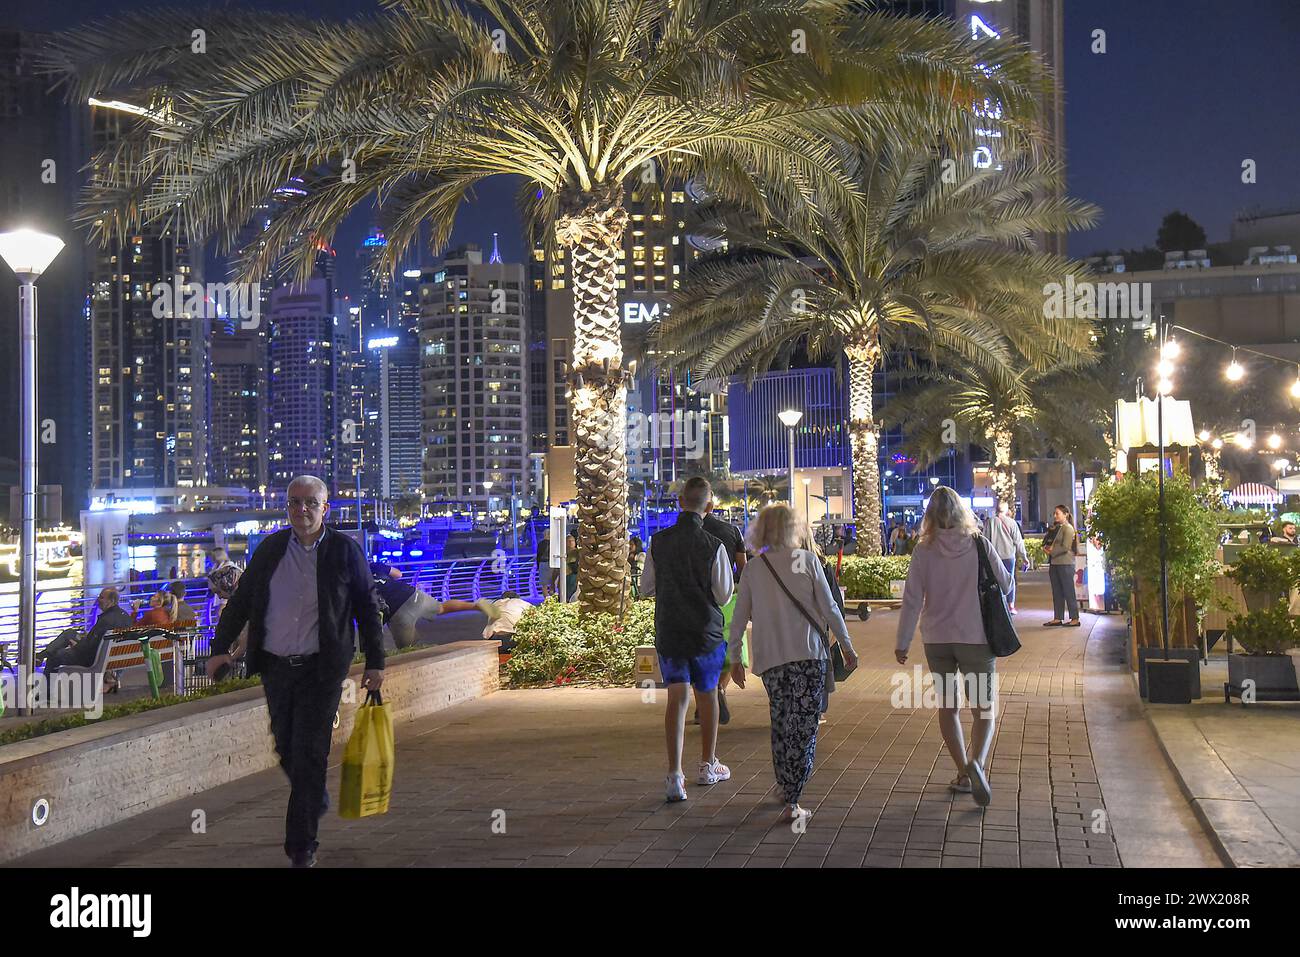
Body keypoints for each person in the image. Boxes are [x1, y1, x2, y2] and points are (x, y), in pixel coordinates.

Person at [206, 474, 384, 869]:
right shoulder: (271, 549)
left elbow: (366, 606)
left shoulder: (343, 551)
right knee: (285, 747)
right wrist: (219, 650)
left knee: (309, 753)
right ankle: (313, 794)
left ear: (325, 508)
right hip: (277, 668)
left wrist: (375, 661)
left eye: (310, 503)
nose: (301, 510)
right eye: (294, 502)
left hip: (321, 671)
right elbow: (242, 602)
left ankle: (301, 846)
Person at [730, 505, 857, 822]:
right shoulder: (807, 561)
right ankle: (792, 797)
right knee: (804, 728)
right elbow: (830, 609)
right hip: (808, 657)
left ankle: (786, 785)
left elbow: (738, 619)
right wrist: (847, 647)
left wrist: (735, 658)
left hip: (772, 661)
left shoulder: (754, 568)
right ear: (794, 528)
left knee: (782, 724)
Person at [895, 486, 1011, 807]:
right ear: (962, 511)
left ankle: (962, 771)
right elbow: (1006, 583)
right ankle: (978, 762)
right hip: (976, 637)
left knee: (948, 708)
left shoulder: (923, 550)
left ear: (929, 516)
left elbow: (912, 600)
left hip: (937, 639)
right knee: (983, 708)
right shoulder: (979, 545)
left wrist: (902, 642)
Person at [639, 476, 734, 803]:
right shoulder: (714, 546)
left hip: (670, 630)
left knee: (675, 698)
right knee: (706, 695)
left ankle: (674, 775)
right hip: (705, 633)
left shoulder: (658, 542)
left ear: (680, 502)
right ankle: (707, 765)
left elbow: (646, 587)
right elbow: (724, 595)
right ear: (709, 506)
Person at [701, 497, 747, 726]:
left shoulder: (684, 533)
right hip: (728, 597)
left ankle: (705, 694)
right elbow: (743, 568)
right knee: (732, 644)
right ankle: (720, 686)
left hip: (698, 600)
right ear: (710, 506)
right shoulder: (731, 531)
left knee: (702, 648)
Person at [42, 588, 133, 673]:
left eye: (101, 598)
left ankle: (46, 688)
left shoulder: (106, 620)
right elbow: (96, 641)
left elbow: (90, 648)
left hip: (90, 658)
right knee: (69, 633)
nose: (98, 600)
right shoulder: (125, 616)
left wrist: (76, 647)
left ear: (111, 601)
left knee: (55, 656)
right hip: (109, 656)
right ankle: (42, 655)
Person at [370, 561, 440, 649]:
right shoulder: (374, 565)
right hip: (409, 593)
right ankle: (463, 606)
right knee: (442, 608)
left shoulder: (354, 580)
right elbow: (398, 574)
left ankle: (423, 649)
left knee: (408, 648)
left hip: (395, 610)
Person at [441, 591, 533, 653]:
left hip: (497, 642)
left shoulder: (495, 603)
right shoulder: (524, 604)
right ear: (518, 598)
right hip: (517, 641)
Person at [984, 500, 1030, 615]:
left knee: (995, 580)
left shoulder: (990, 522)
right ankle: (1011, 605)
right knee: (1009, 580)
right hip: (1009, 557)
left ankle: (997, 605)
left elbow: (985, 539)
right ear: (1006, 510)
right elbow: (1018, 542)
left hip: (994, 557)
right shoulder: (1011, 523)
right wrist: (1024, 557)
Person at [1044, 504, 1081, 627]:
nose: (1055, 516)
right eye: (1054, 513)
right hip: (1055, 563)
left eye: (1057, 513)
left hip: (1065, 563)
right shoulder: (1057, 528)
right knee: (1057, 591)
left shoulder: (1068, 528)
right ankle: (1058, 617)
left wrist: (1051, 551)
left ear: (1065, 514)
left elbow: (1065, 547)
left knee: (1068, 591)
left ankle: (1074, 618)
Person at [564, 534, 578, 601]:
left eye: (572, 541)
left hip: (573, 575)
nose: (571, 542)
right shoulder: (563, 552)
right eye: (569, 541)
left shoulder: (577, 552)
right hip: (564, 575)